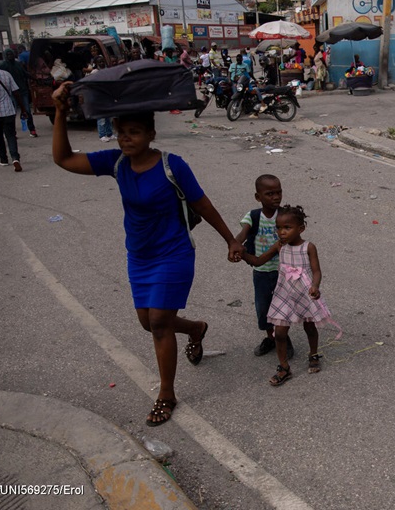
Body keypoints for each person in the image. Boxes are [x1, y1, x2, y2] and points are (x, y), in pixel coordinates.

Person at [51, 82, 244, 426]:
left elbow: (203, 204)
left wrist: (230, 239)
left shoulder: (173, 165)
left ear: (151, 133)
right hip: (139, 256)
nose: (127, 139)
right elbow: (63, 159)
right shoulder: (116, 163)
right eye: (122, 133)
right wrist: (60, 113)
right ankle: (197, 327)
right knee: (149, 322)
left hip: (174, 253)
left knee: (158, 322)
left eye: (135, 132)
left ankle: (166, 394)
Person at [243, 205, 331, 386]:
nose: (281, 232)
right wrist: (241, 253)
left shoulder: (308, 247)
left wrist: (315, 286)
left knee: (309, 327)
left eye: (287, 228)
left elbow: (317, 271)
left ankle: (313, 354)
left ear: (301, 229)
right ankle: (284, 367)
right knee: (280, 332)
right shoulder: (279, 246)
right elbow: (259, 261)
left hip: (305, 292)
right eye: (278, 228)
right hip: (284, 294)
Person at [235, 175, 295, 359]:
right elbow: (242, 234)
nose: (276, 197)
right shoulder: (253, 216)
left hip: (283, 271)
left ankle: (283, 339)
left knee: (282, 309)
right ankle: (271, 338)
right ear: (258, 196)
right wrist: (235, 247)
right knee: (264, 309)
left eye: (278, 192)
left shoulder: (285, 215)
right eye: (269, 194)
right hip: (261, 272)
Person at [0, 48, 38, 138]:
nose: (10, 56)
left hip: (22, 91)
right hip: (10, 93)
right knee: (12, 113)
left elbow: (25, 73)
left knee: (27, 110)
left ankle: (32, 129)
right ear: (5, 56)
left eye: (11, 54)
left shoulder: (18, 64)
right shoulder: (2, 66)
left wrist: (36, 79)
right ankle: (12, 133)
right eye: (8, 55)